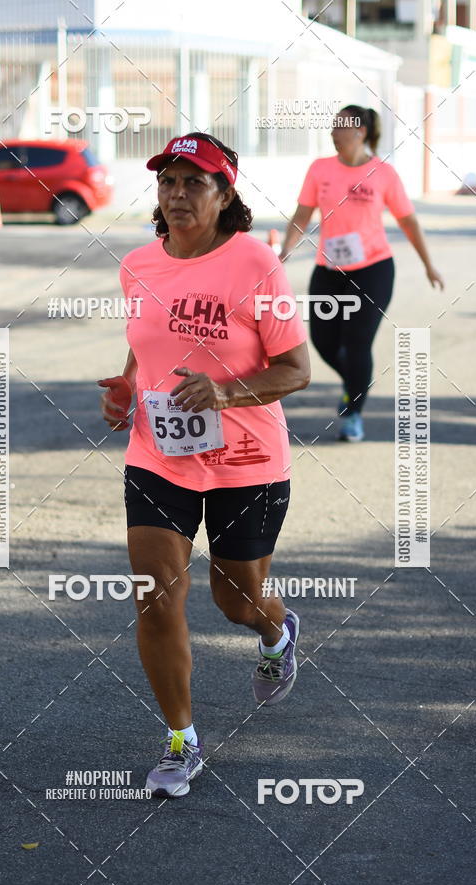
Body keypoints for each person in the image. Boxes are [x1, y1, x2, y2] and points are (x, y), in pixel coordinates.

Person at [99, 132, 311, 799]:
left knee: (235, 598)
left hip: (247, 460)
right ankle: (179, 739)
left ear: (225, 195)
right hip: (158, 456)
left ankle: (276, 631)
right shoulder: (137, 265)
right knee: (155, 596)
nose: (179, 193)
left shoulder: (255, 262)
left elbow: (296, 369)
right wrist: (130, 385)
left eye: (196, 182)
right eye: (169, 181)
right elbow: (147, 341)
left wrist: (222, 392)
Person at [280, 105, 444, 441]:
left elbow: (407, 220)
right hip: (329, 271)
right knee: (323, 342)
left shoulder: (383, 174)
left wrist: (428, 264)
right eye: (333, 125)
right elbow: (302, 214)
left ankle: (353, 413)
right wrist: (285, 249)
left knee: (357, 344)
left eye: (340, 126)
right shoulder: (320, 169)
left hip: (373, 270)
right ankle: (356, 380)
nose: (333, 132)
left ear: (360, 132)